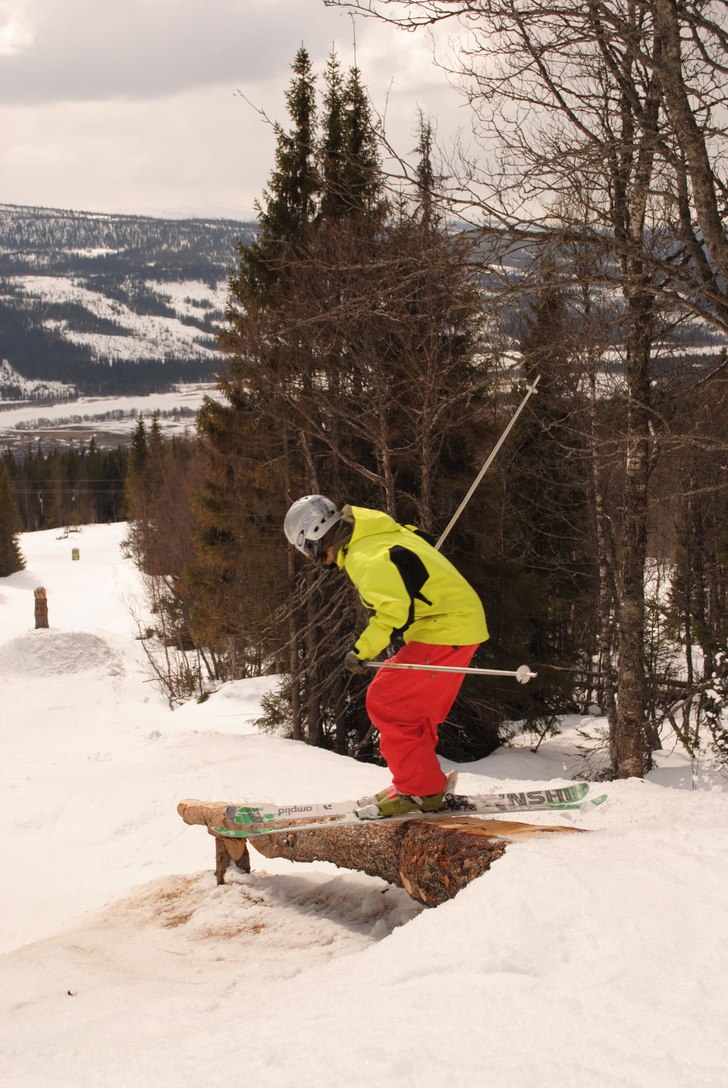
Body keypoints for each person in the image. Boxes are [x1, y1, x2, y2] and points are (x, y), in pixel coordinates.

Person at [284, 494, 489, 817]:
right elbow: (419, 543)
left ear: (315, 537)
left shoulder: (365, 558)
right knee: (412, 709)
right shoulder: (376, 531)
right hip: (454, 624)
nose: (313, 560)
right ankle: (416, 780)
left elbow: (393, 612)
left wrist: (360, 651)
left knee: (386, 699)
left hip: (447, 628)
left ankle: (421, 790)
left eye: (308, 551)